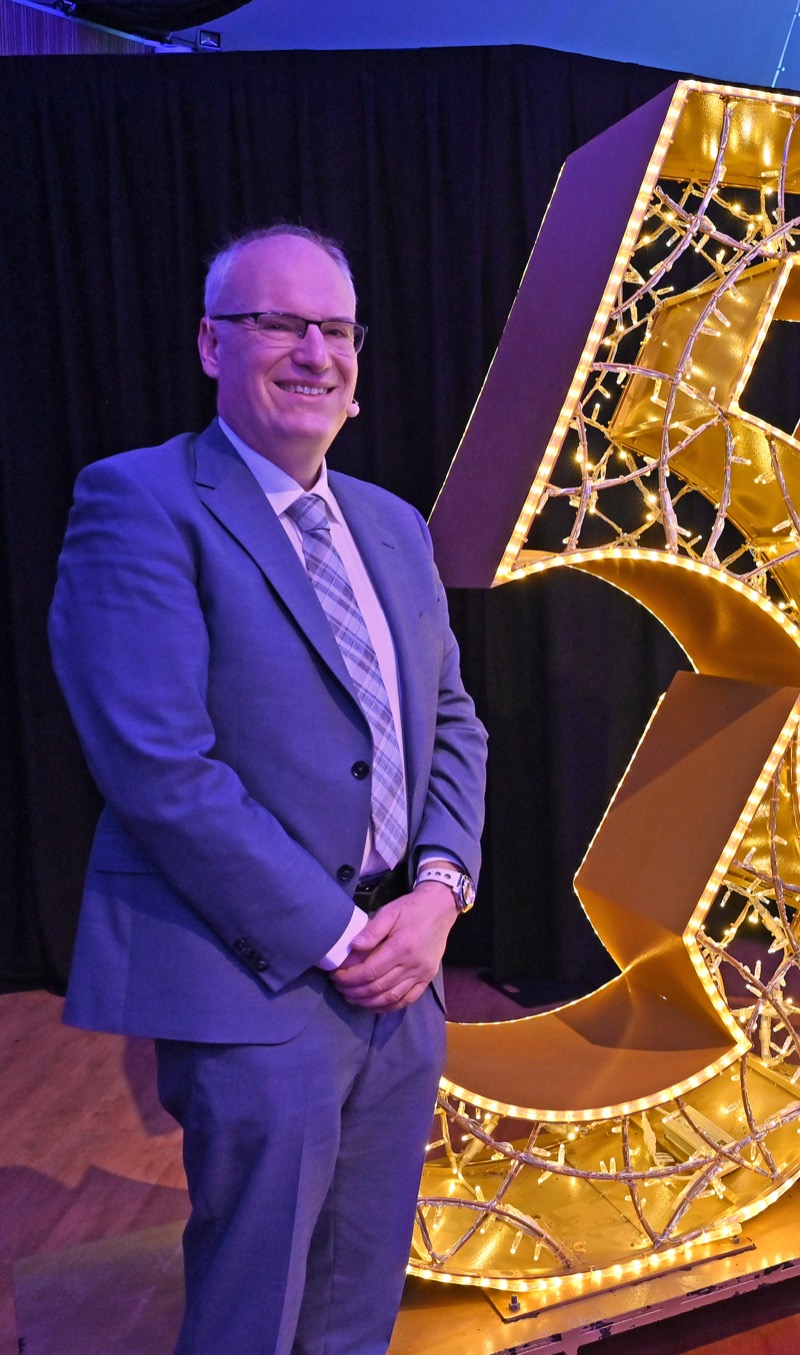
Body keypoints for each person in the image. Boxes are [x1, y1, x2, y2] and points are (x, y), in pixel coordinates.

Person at [49, 224, 488, 1355]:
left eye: (335, 328)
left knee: (357, 1303)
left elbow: (451, 718)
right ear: (211, 344)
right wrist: (341, 937)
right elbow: (160, 768)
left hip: (405, 968)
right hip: (255, 979)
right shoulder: (139, 501)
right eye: (277, 323)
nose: (313, 352)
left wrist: (438, 894)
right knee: (251, 1312)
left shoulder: (393, 524)